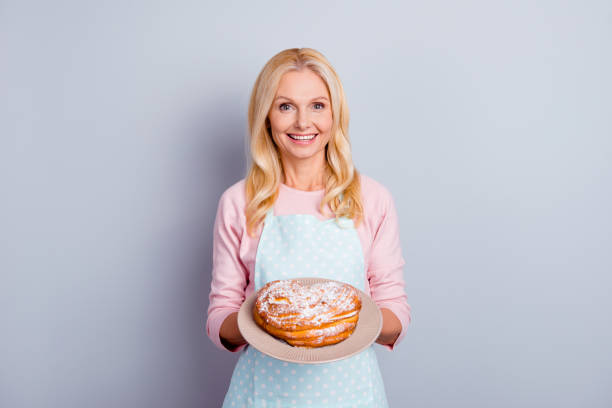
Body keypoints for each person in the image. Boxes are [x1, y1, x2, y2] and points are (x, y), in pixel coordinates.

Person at [206, 47, 411, 407]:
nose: (303, 123)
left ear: (335, 115)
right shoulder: (239, 202)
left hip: (352, 394)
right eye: (285, 106)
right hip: (264, 394)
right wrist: (271, 320)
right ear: (266, 117)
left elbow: (396, 312)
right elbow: (220, 315)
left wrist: (336, 320)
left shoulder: (373, 198)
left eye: (317, 105)